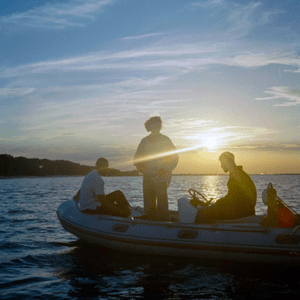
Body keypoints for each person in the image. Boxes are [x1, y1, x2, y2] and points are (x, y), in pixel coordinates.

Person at [134, 116, 179, 221]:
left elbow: (174, 158)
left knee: (162, 204)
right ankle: (150, 223)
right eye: (154, 124)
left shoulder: (165, 140)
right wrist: (140, 167)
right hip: (147, 176)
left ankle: (164, 223)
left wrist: (166, 168)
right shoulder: (144, 141)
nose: (157, 127)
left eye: (158, 124)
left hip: (161, 176)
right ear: (149, 126)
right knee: (149, 204)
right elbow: (137, 159)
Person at [194, 152, 257, 223]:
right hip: (243, 210)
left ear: (227, 162)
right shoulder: (238, 173)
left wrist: (217, 204)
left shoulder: (237, 175)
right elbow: (233, 198)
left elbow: (232, 198)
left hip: (241, 212)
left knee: (202, 212)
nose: (221, 166)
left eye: (222, 163)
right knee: (209, 210)